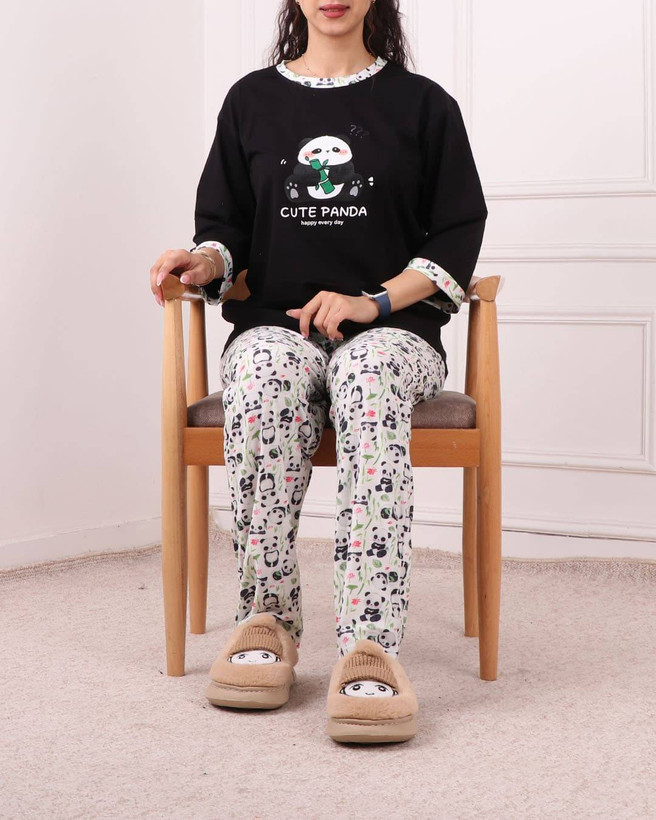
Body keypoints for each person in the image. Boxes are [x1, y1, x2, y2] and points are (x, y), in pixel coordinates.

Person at [149, 0, 487, 743]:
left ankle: (371, 645)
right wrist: (201, 261)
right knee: (262, 378)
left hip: (394, 332)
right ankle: (265, 618)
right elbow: (226, 230)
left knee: (366, 379)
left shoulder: (424, 105)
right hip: (276, 323)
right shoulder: (250, 101)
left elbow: (457, 233)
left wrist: (373, 302)